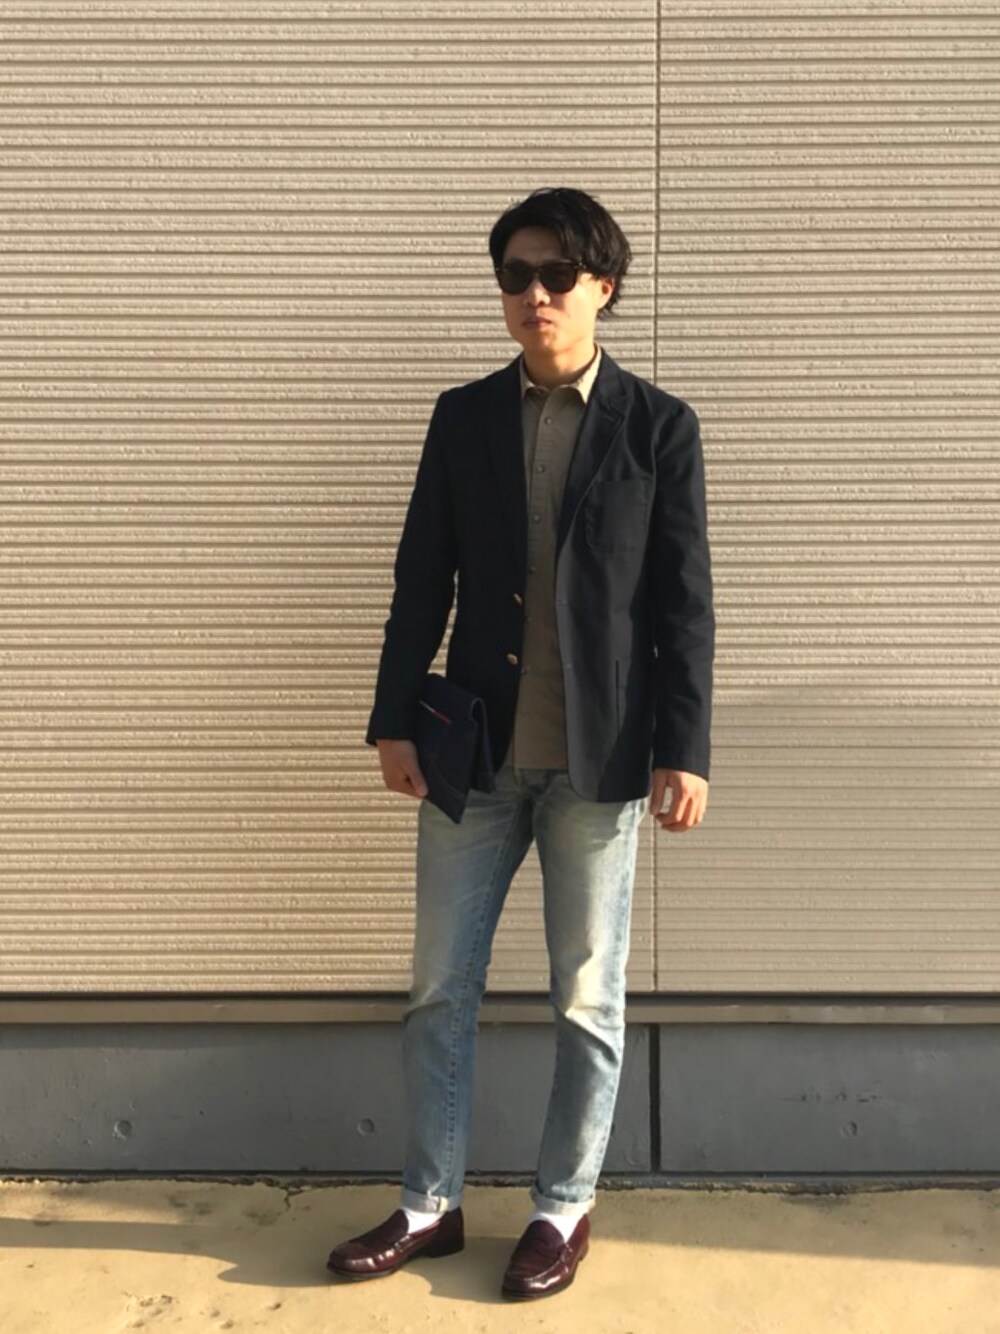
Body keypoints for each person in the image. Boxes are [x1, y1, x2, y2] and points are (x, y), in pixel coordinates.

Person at [327, 186, 715, 1300]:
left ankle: (561, 1205)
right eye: (514, 275)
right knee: (436, 988)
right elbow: (422, 578)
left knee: (586, 999)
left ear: (602, 286)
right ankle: (429, 1202)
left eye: (555, 275)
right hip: (475, 757)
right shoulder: (462, 418)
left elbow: (683, 604)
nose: (532, 295)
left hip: (599, 763)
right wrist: (394, 717)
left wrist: (684, 746)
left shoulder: (658, 427)